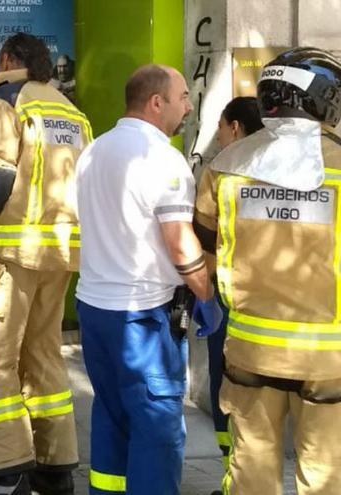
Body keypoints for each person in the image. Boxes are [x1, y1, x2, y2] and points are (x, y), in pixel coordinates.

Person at [0, 33, 92, 495]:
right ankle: (55, 469)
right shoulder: (73, 114)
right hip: (57, 255)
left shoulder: (4, 102)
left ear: (8, 59)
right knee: (44, 357)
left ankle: (6, 478)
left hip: (6, 260)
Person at [194, 47, 341, 495]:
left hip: (249, 348)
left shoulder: (226, 165)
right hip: (329, 353)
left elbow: (205, 245)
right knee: (324, 473)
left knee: (252, 467)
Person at [75, 64, 216, 495]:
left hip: (95, 309)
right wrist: (207, 295)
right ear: (157, 103)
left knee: (113, 414)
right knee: (156, 428)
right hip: (143, 317)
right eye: (183, 97)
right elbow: (180, 242)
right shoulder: (163, 159)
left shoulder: (94, 151)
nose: (189, 106)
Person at [202, 96, 264, 495]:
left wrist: (200, 290)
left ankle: (232, 480)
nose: (219, 136)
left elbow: (204, 239)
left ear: (236, 127)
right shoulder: (301, 166)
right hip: (289, 307)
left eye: (221, 127)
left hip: (230, 298)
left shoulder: (223, 170)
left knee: (226, 392)